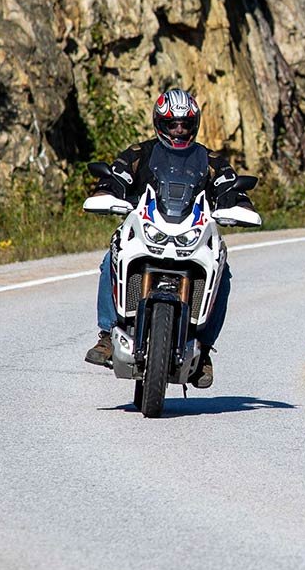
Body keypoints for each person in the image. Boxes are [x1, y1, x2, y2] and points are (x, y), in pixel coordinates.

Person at [85, 87, 253, 387]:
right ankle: (108, 335)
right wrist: (108, 191)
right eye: (172, 123)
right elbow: (115, 177)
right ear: (159, 123)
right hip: (148, 226)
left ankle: (203, 350)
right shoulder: (139, 154)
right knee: (111, 257)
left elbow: (231, 188)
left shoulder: (210, 160)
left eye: (185, 124)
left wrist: (238, 204)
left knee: (222, 272)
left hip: (192, 232)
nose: (179, 129)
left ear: (194, 124)